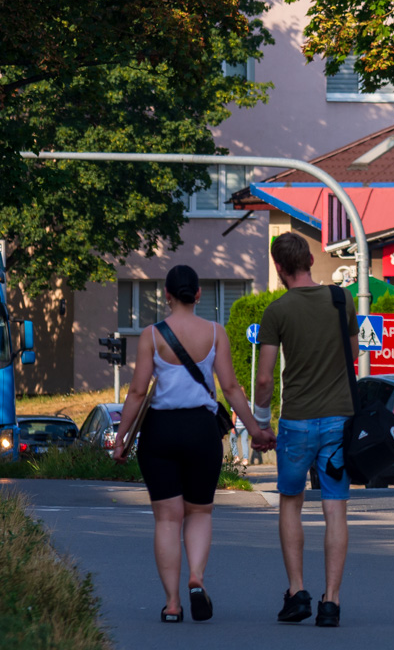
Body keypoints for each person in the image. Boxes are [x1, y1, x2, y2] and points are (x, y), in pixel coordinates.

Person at [111, 265, 273, 623]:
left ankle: (171, 604)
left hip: (161, 432)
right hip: (202, 431)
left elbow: (138, 392)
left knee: (167, 519)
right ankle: (196, 577)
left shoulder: (152, 336)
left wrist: (120, 438)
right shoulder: (216, 333)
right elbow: (231, 389)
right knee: (199, 511)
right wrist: (256, 431)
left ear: (166, 295)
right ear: (198, 294)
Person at [253, 231, 358, 628]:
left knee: (291, 503)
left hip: (296, 423)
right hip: (339, 421)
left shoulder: (277, 311)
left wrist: (262, 425)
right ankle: (331, 602)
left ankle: (297, 592)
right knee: (335, 509)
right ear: (311, 261)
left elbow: (264, 380)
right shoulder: (341, 299)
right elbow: (352, 353)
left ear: (279, 268)